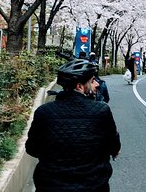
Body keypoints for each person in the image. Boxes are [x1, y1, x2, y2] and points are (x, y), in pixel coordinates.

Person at [26, 59, 121, 191]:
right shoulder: (101, 111)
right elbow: (113, 146)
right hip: (93, 185)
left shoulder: (43, 112)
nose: (97, 84)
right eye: (92, 80)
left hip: (50, 186)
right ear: (79, 86)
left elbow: (32, 148)